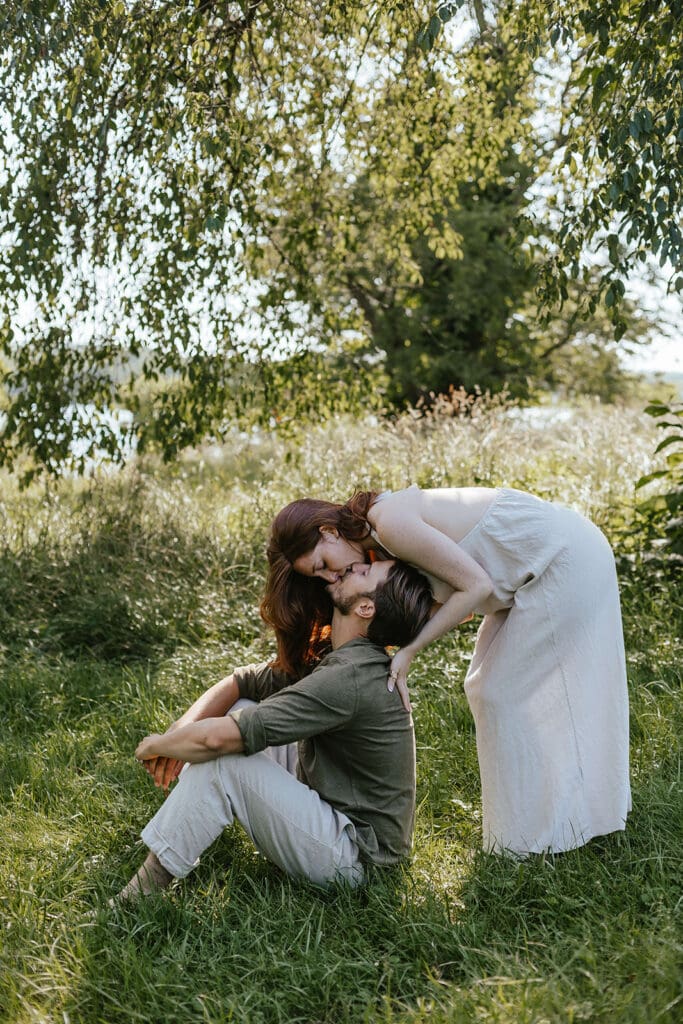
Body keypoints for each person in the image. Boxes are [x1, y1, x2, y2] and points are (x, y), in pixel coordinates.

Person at [262, 485, 632, 857]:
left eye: (323, 564)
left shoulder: (388, 524)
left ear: (329, 532)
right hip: (525, 578)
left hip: (562, 559)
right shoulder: (374, 548)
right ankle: (534, 831)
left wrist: (409, 652)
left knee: (500, 693)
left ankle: (533, 838)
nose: (329, 578)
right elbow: (461, 604)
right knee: (487, 688)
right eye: (318, 576)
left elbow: (476, 586)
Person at [116, 558, 433, 899]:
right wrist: (179, 730)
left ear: (366, 607)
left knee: (226, 757)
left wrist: (155, 745)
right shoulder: (346, 657)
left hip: (359, 860)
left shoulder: (350, 677)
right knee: (241, 710)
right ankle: (184, 827)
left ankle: (140, 894)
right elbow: (245, 681)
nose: (354, 565)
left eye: (366, 572)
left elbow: (214, 740)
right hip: (332, 811)